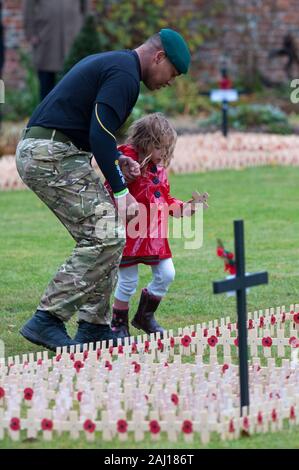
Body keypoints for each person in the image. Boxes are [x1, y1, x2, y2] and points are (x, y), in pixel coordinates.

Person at [15, 29, 191, 351]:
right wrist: (123, 194)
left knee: (107, 234)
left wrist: (119, 165)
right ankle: (47, 319)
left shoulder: (118, 67)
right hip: (50, 154)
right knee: (107, 233)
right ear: (159, 57)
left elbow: (100, 137)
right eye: (173, 73)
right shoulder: (124, 75)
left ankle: (94, 327)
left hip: (57, 151)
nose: (170, 81)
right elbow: (99, 134)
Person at [107, 113, 200, 338]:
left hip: (154, 236)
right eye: (160, 148)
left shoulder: (160, 170)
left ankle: (144, 317)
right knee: (128, 281)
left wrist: (184, 208)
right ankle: (118, 324)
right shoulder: (126, 161)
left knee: (167, 273)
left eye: (168, 149)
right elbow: (111, 188)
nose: (164, 154)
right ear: (146, 142)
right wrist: (126, 180)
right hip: (130, 231)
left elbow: (164, 199)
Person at [23, 0, 88, 100]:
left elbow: (85, 7)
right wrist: (31, 32)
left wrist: (85, 30)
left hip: (73, 36)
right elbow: (29, 5)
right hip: (46, 36)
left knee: (74, 86)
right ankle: (46, 115)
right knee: (46, 87)